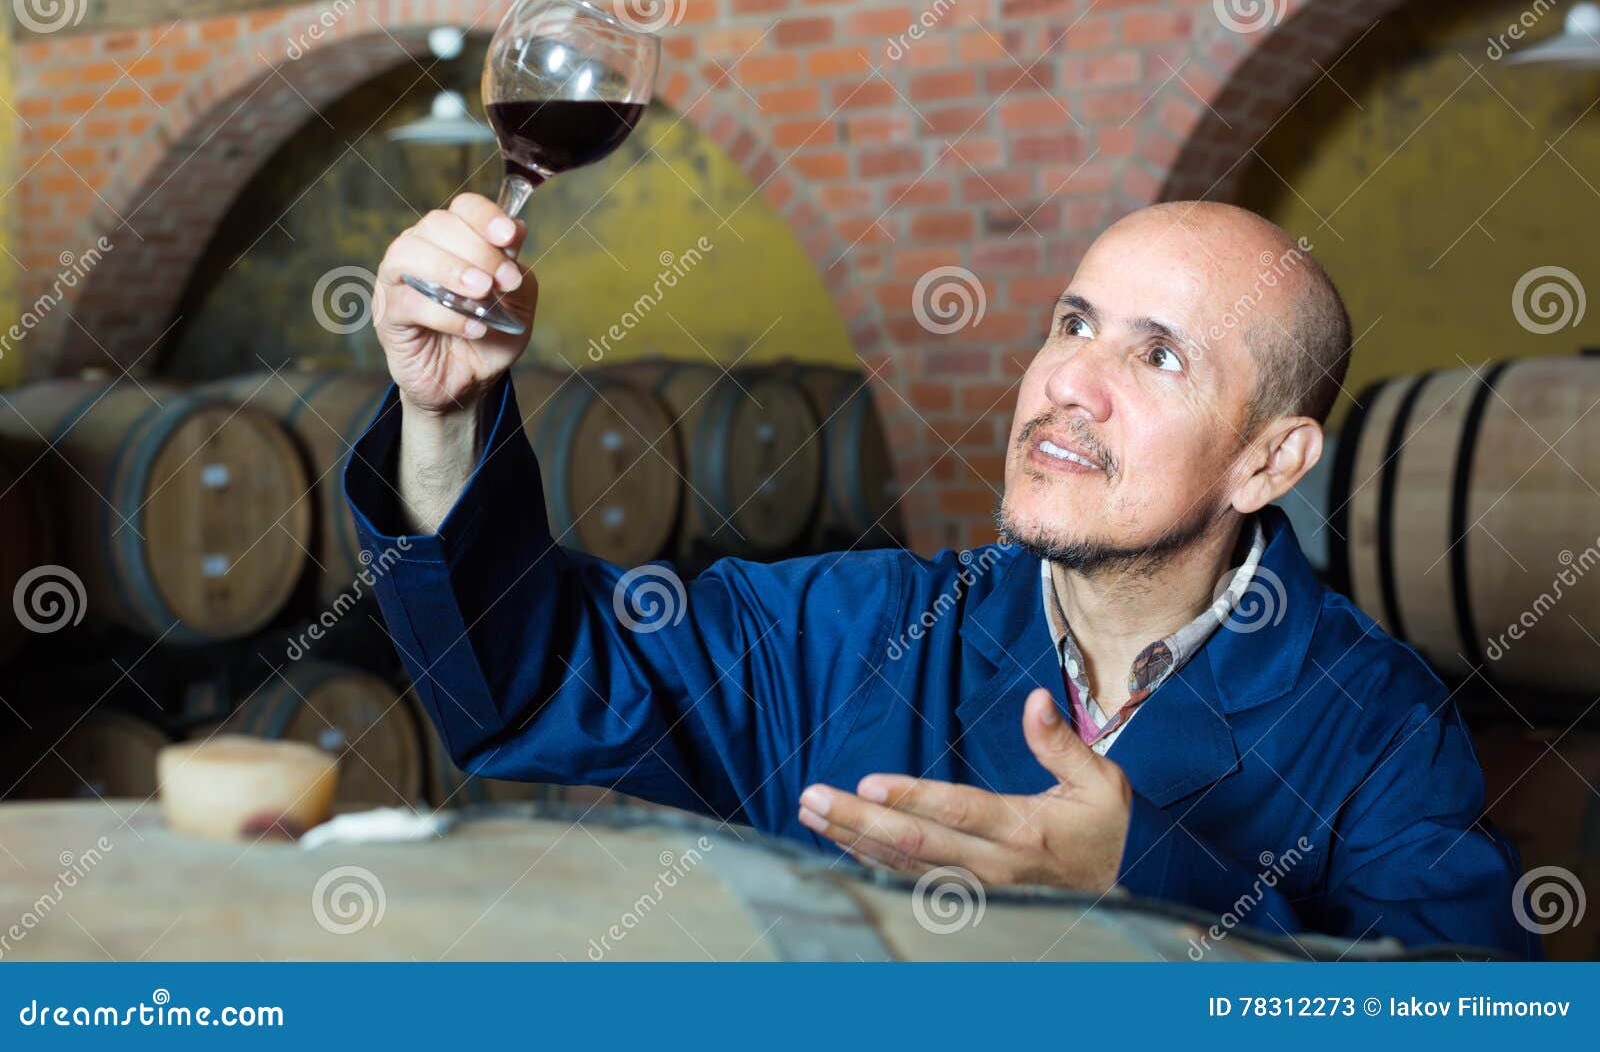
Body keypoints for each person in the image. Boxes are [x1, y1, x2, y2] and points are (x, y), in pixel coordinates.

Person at [342, 193, 1535, 956]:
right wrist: (442, 412)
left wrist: (1146, 882)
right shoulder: (858, 630)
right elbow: (533, 675)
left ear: (1269, 459)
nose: (1069, 379)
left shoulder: (1377, 722)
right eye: (1073, 322)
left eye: (1158, 354)